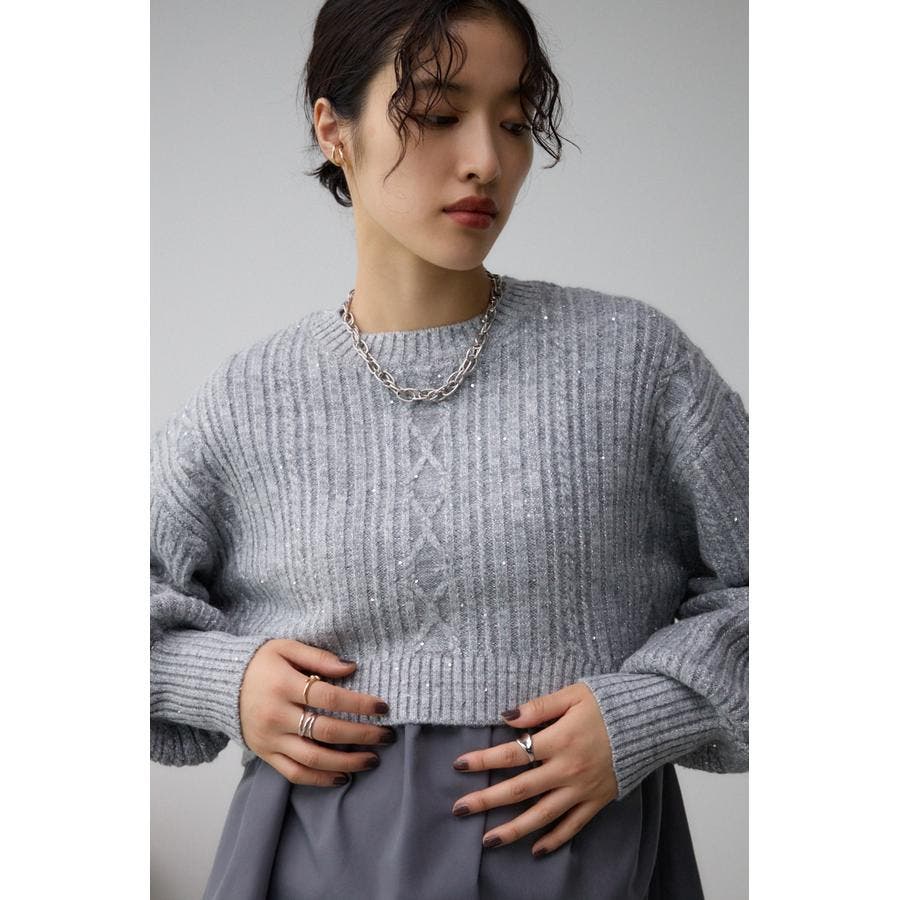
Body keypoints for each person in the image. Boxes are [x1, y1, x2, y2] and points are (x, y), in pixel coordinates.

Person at [150, 2, 748, 898]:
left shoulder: (632, 364)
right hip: (313, 866)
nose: (486, 160)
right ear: (334, 130)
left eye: (514, 121)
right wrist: (222, 683)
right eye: (436, 114)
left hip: (582, 864)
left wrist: (656, 709)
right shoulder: (251, 397)